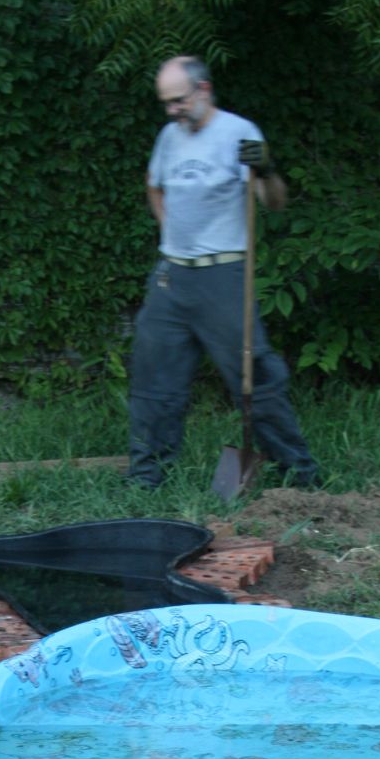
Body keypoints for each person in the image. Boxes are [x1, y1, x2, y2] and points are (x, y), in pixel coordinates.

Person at [127, 55, 320, 490]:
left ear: (204, 89)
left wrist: (266, 170)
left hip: (223, 276)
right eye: (166, 103)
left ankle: (299, 475)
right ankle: (146, 476)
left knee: (255, 378)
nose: (172, 110)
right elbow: (154, 185)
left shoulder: (239, 132)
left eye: (178, 100)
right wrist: (170, 231)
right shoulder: (169, 136)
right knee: (153, 379)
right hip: (171, 277)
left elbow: (274, 203)